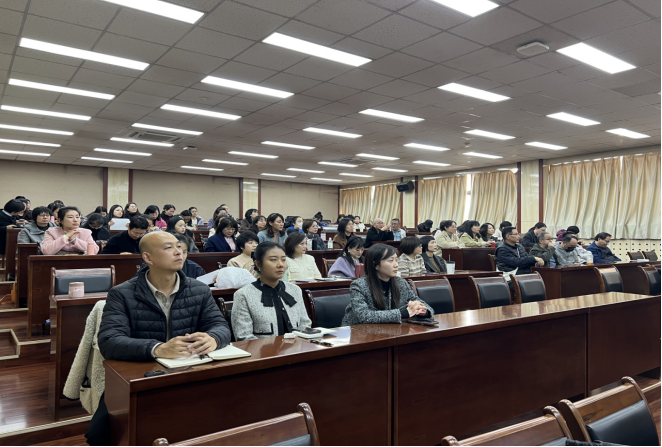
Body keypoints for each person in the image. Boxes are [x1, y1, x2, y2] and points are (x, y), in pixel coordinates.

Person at [90, 232, 231, 445]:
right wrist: (157, 348)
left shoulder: (199, 289)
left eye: (179, 247)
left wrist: (214, 338)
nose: (178, 252)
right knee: (103, 434)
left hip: (189, 373)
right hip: (141, 378)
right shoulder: (122, 293)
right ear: (148, 257)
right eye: (168, 248)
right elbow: (110, 341)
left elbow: (221, 326)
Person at [232, 242, 312, 341]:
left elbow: (305, 324)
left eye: (283, 260)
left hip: (298, 347)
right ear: (258, 264)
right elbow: (244, 336)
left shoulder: (295, 290)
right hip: (263, 350)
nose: (280, 265)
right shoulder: (243, 295)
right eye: (273, 260)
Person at [342, 244, 434, 326]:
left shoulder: (401, 283)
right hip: (358, 333)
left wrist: (422, 311)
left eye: (396, 260)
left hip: (390, 331)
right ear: (376, 265)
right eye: (391, 260)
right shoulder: (359, 285)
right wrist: (402, 313)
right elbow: (364, 316)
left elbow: (423, 305)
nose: (396, 265)